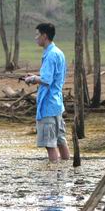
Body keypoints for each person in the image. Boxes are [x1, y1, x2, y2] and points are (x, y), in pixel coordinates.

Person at [24, 23, 69, 162]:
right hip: (57, 104)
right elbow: (52, 77)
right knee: (61, 140)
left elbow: (47, 80)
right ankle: (67, 168)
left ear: (45, 36)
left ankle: (53, 175)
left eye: (37, 35)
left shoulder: (50, 55)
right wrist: (37, 77)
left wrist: (32, 79)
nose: (35, 38)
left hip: (48, 105)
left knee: (50, 144)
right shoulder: (58, 52)